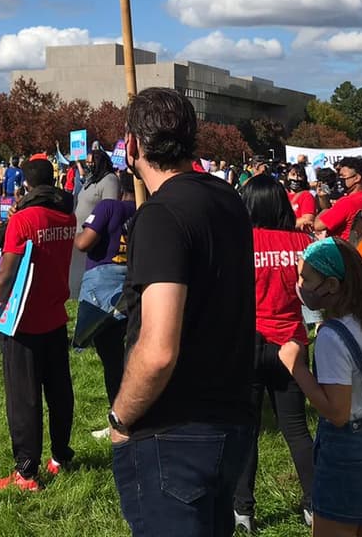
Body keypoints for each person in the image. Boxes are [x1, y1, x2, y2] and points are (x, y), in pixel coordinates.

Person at [109, 88, 255, 537]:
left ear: (132, 144)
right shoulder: (227, 198)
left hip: (173, 431)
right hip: (231, 420)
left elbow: (157, 350)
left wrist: (120, 418)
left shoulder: (162, 214)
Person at [277, 238, 362, 537]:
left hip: (349, 451)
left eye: (306, 278)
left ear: (332, 285)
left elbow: (337, 412)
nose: (299, 285)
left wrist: (296, 367)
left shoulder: (333, 336)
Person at [0, 155, 79, 491]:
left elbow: (6, 271)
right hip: (55, 315)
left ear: (25, 182)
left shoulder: (24, 219)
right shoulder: (67, 215)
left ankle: (25, 472)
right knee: (59, 391)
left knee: (24, 398)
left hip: (22, 321)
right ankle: (61, 456)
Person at [233, 173, 316, 532]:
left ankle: (242, 511)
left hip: (247, 345)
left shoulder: (237, 242)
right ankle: (316, 504)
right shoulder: (305, 244)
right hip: (292, 345)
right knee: (296, 428)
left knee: (246, 430)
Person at [75, 169, 135, 434]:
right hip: (132, 282)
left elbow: (85, 243)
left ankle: (119, 419)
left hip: (103, 284)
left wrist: (77, 234)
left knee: (111, 358)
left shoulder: (108, 207)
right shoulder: (143, 208)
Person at [72, 148, 121, 299]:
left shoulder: (109, 180)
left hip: (94, 236)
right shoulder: (91, 179)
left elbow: (110, 209)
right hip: (79, 233)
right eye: (86, 163)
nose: (88, 165)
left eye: (90, 162)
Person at [315, 157, 362, 241]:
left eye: (343, 176)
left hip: (340, 249)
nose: (339, 179)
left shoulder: (347, 202)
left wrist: (325, 210)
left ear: (357, 178)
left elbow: (318, 225)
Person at [286, 163, 318, 232]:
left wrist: (283, 225)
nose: (296, 178)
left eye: (299, 176)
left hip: (298, 236)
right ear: (287, 176)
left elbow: (307, 220)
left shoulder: (306, 196)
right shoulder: (282, 194)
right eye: (293, 174)